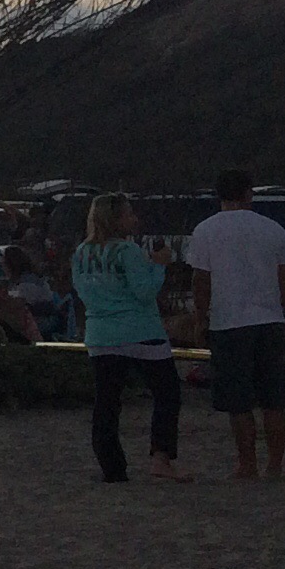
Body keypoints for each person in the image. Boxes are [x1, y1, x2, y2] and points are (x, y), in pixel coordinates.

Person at [187, 169, 285, 481]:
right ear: (249, 193)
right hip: (270, 321)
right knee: (274, 400)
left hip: (229, 323)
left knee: (238, 402)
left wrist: (200, 318)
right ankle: (275, 465)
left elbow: (201, 281)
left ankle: (247, 463)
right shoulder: (274, 229)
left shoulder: (206, 230)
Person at [70, 193, 184, 483]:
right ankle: (161, 457)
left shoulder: (81, 252)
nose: (135, 219)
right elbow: (144, 292)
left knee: (107, 402)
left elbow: (82, 292)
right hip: (140, 331)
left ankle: (112, 467)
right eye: (129, 214)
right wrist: (159, 265)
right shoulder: (128, 251)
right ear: (116, 219)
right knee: (167, 393)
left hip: (101, 333)